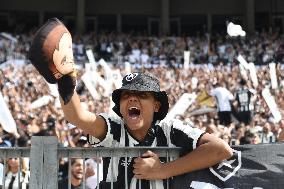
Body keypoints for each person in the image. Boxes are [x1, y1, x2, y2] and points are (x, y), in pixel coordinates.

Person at [29, 18, 233, 189]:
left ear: (156, 105)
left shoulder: (170, 130)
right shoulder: (113, 127)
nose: (132, 99)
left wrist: (162, 170)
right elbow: (77, 117)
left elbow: (221, 149)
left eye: (141, 95)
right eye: (126, 95)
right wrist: (65, 80)